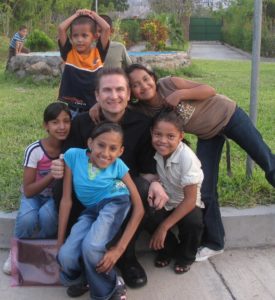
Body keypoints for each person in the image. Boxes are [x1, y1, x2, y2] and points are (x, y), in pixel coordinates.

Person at [120, 63, 275, 261]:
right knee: (206, 189)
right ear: (131, 91)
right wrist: (97, 105)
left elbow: (209, 90)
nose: (143, 85)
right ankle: (215, 242)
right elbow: (119, 104)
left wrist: (180, 95)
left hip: (229, 115)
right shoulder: (142, 111)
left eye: (145, 79)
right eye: (135, 85)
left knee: (266, 160)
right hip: (208, 135)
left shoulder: (169, 84)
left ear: (153, 77)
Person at [51, 67, 168, 295]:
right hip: (89, 195)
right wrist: (58, 165)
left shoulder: (143, 124)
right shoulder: (83, 123)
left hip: (120, 192)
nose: (113, 96)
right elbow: (67, 160)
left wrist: (156, 181)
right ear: (96, 95)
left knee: (143, 188)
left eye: (119, 89)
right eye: (107, 90)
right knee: (60, 186)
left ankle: (126, 256)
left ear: (128, 94)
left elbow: (148, 167)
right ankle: (81, 258)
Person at [57, 121, 144, 300]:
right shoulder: (73, 156)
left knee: (91, 246)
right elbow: (66, 200)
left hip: (115, 201)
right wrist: (59, 242)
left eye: (113, 148)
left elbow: (139, 208)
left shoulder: (118, 165)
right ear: (90, 143)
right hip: (91, 211)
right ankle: (87, 278)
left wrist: (119, 249)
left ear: (120, 151)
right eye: (101, 145)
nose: (105, 153)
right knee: (66, 255)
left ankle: (111, 287)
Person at [2, 102, 71, 275]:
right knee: (27, 219)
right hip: (34, 195)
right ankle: (16, 251)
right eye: (55, 122)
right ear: (45, 125)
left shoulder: (70, 150)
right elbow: (28, 190)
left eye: (66, 121)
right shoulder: (35, 150)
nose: (62, 127)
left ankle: (39, 251)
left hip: (54, 198)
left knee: (47, 217)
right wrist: (51, 175)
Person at [146, 110, 204, 274]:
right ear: (151, 132)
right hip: (166, 199)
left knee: (193, 223)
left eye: (170, 136)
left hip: (186, 203)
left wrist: (164, 227)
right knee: (147, 214)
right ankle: (167, 250)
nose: (163, 141)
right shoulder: (153, 150)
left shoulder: (187, 158)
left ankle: (186, 257)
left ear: (180, 136)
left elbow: (190, 200)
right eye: (158, 134)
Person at [57, 9, 110, 118]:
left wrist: (93, 14)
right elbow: (61, 28)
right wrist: (76, 15)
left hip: (95, 107)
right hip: (73, 108)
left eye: (84, 35)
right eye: (75, 36)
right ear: (71, 37)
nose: (79, 40)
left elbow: (106, 28)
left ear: (94, 37)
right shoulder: (69, 53)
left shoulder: (98, 53)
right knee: (74, 134)